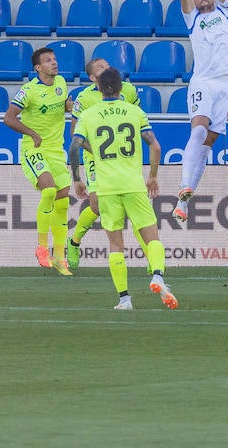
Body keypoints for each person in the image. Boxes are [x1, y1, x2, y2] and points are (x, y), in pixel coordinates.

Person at [69, 67, 177, 311]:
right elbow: (156, 147)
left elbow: (74, 147)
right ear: (120, 88)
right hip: (133, 184)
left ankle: (124, 299)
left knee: (116, 245)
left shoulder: (88, 114)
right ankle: (158, 275)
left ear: (98, 88)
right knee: (152, 237)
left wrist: (77, 178)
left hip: (106, 188)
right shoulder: (135, 111)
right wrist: (152, 177)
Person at [172, 0, 228, 223]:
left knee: (207, 145)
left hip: (227, 86)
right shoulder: (192, 19)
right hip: (203, 82)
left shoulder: (227, 11)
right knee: (197, 132)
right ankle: (184, 185)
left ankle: (183, 203)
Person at [66, 57, 146, 271]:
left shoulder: (128, 90)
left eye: (107, 65)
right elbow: (75, 133)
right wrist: (97, 150)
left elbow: (137, 120)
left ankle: (151, 255)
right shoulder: (84, 98)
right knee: (97, 206)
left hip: (123, 157)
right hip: (95, 158)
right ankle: (74, 242)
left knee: (134, 205)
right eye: (100, 68)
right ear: (92, 78)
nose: (106, 68)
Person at [3, 46, 73, 275]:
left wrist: (69, 107)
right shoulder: (28, 91)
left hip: (56, 150)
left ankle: (60, 257)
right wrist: (32, 133)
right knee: (49, 191)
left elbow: (62, 105)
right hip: (34, 149)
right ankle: (42, 247)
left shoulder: (62, 83)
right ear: (37, 67)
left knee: (63, 202)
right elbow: (8, 118)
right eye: (48, 60)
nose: (54, 63)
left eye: (54, 59)